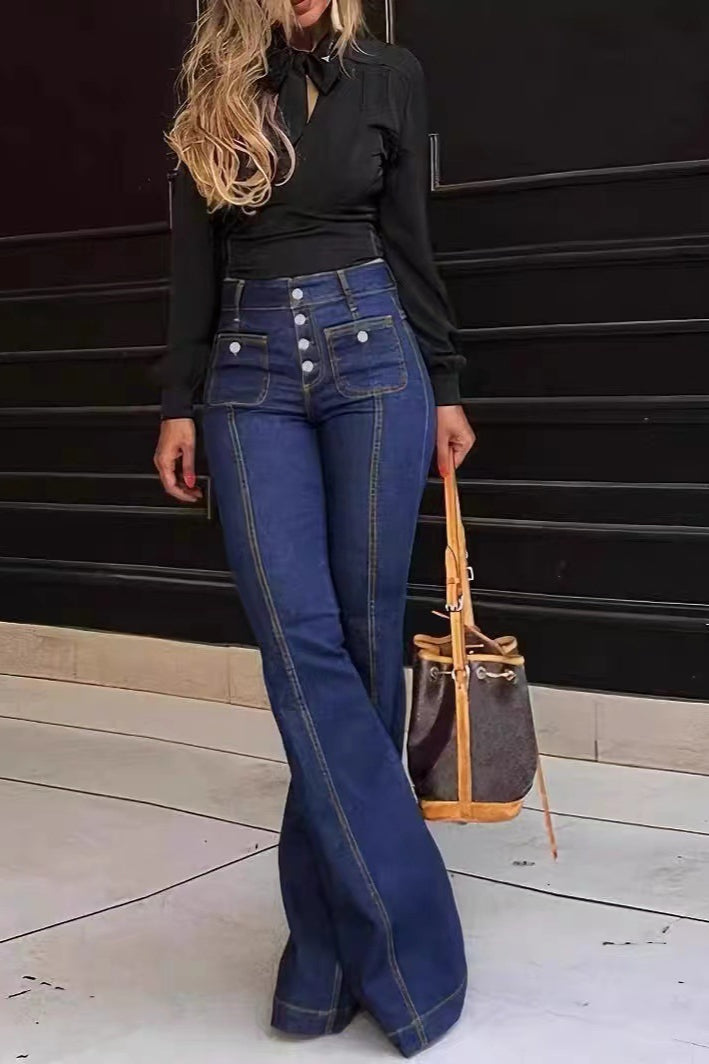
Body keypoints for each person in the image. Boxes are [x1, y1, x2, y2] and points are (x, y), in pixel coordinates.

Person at [153, 0, 476, 1055]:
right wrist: (177, 400)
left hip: (375, 357)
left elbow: (410, 238)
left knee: (368, 644)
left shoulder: (389, 74)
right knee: (300, 645)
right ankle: (410, 950)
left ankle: (325, 957)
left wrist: (444, 382)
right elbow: (193, 259)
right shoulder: (211, 88)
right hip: (248, 372)